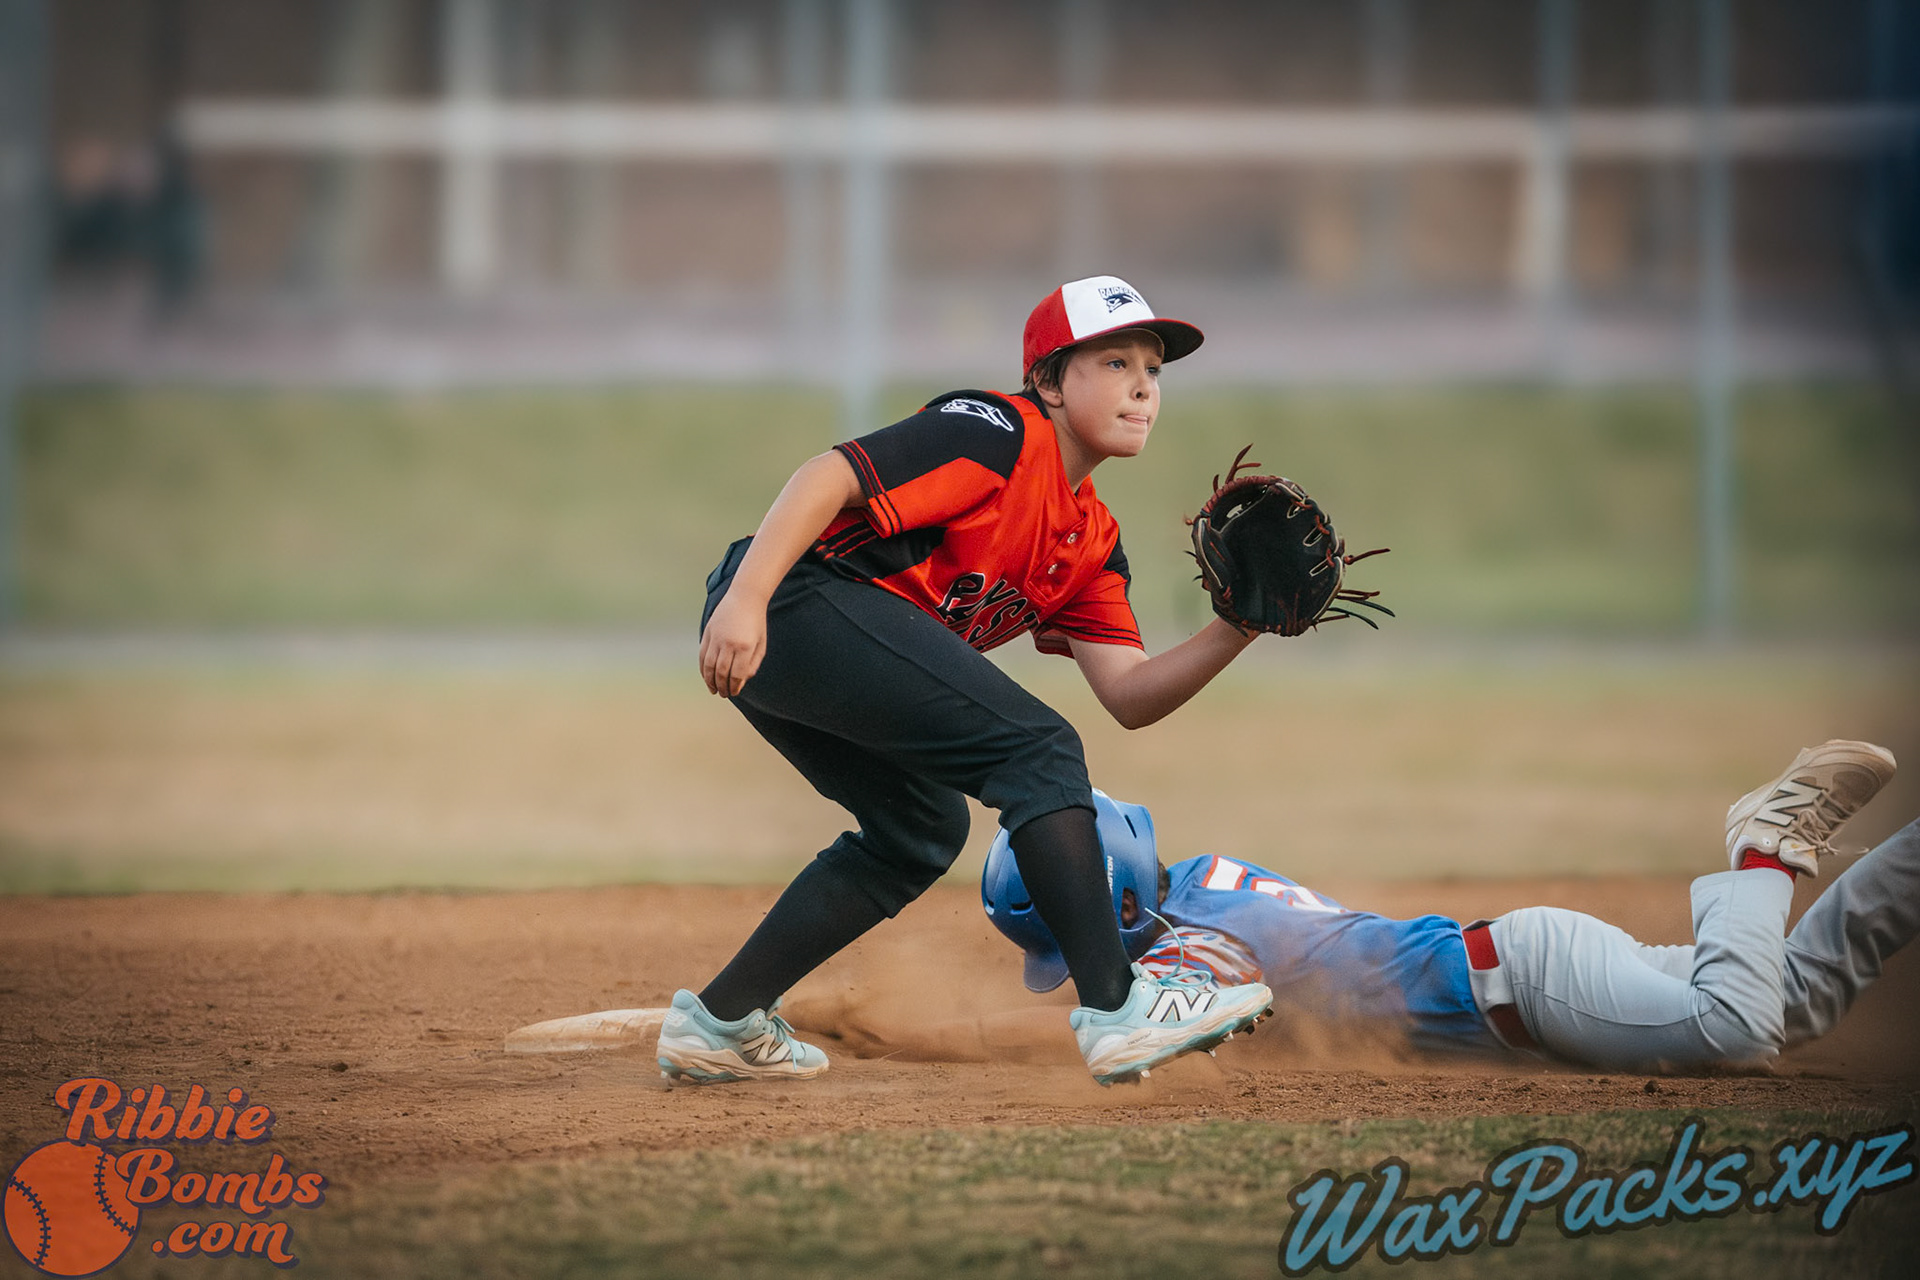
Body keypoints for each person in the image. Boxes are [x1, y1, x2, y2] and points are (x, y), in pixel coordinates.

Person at [656, 276, 1275, 1087]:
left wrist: (1241, 626)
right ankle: (1119, 1012)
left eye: (1154, 370)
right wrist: (746, 600)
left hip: (813, 637)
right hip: (790, 603)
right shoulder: (993, 432)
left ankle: (720, 1022)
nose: (1142, 387)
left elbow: (1130, 694)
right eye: (1116, 361)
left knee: (920, 829)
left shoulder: (1089, 540)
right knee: (1039, 749)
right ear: (1049, 381)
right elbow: (828, 476)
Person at [800, 740, 1908, 1074]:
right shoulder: (1198, 886)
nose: (1079, 966)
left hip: (1527, 982)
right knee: (1797, 992)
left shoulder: (1202, 945)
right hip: (1528, 961)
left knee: (1740, 1024)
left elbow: (1075, 1036)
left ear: (1118, 911)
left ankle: (1767, 839)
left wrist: (866, 1023)